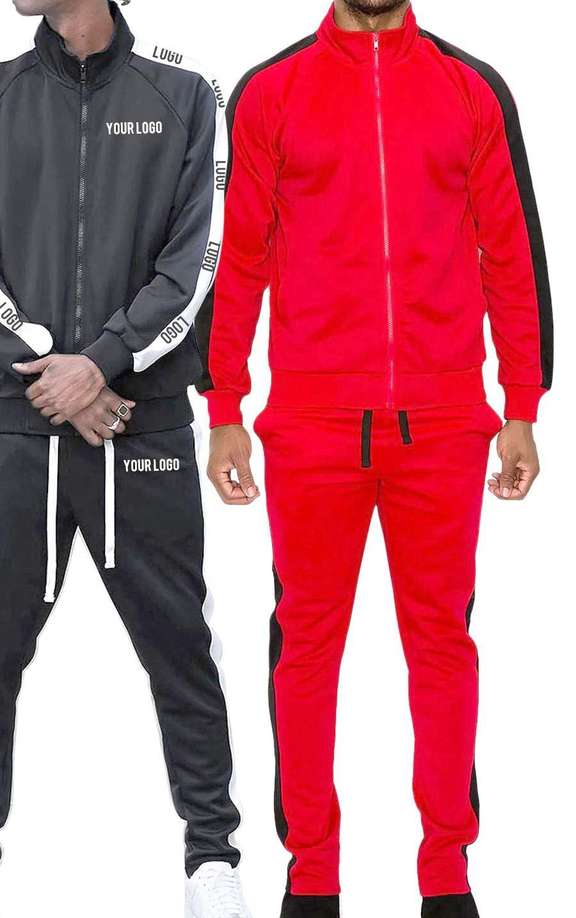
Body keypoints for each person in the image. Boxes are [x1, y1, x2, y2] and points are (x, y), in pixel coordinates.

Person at [196, 1, 552, 916]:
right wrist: (225, 404)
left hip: (444, 419)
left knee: (443, 648)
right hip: (312, 421)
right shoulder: (271, 92)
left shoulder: (472, 89)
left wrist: (522, 402)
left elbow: (511, 251)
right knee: (306, 650)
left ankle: (447, 876)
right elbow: (238, 255)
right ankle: (312, 875)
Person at [0, 1, 249, 915]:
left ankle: (212, 857)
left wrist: (103, 362)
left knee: (181, 649)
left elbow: (198, 260)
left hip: (139, 427)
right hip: (15, 428)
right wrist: (61, 377)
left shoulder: (186, 93)